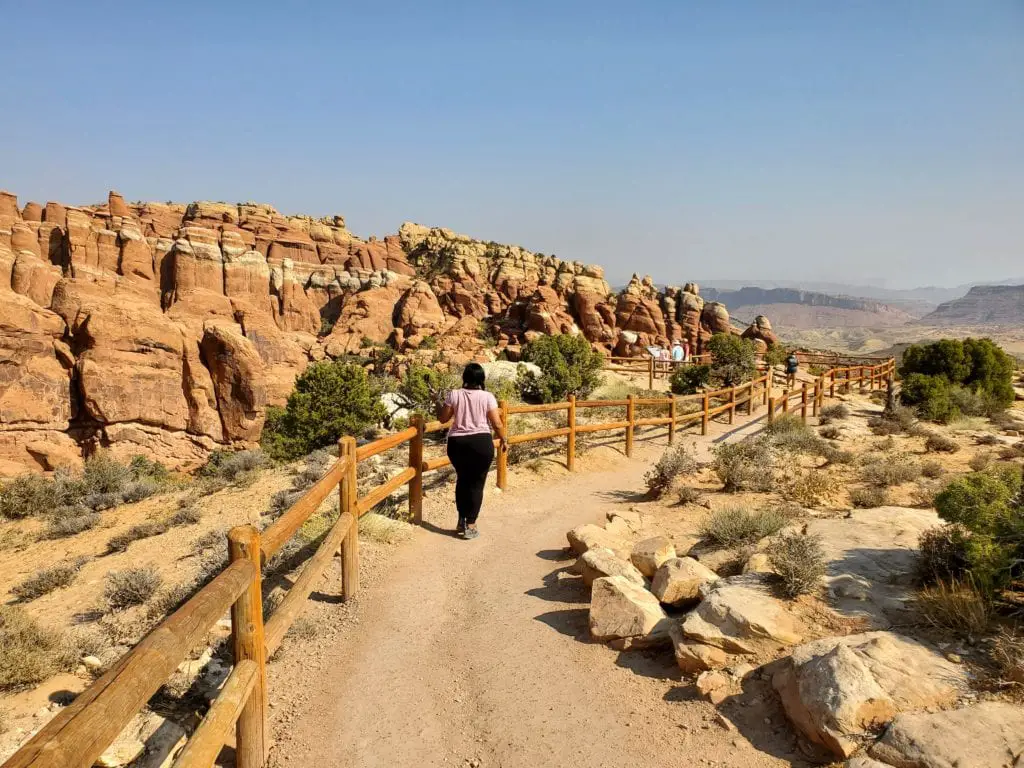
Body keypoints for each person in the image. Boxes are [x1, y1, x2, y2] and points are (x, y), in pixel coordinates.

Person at [438, 363, 508, 539]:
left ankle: (461, 519)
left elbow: (443, 418)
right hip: (480, 443)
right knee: (477, 483)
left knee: (462, 480)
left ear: (464, 377)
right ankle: (471, 523)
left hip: (457, 443)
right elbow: (497, 423)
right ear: (481, 379)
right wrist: (504, 439)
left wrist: (439, 404)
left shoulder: (454, 395)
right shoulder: (487, 397)